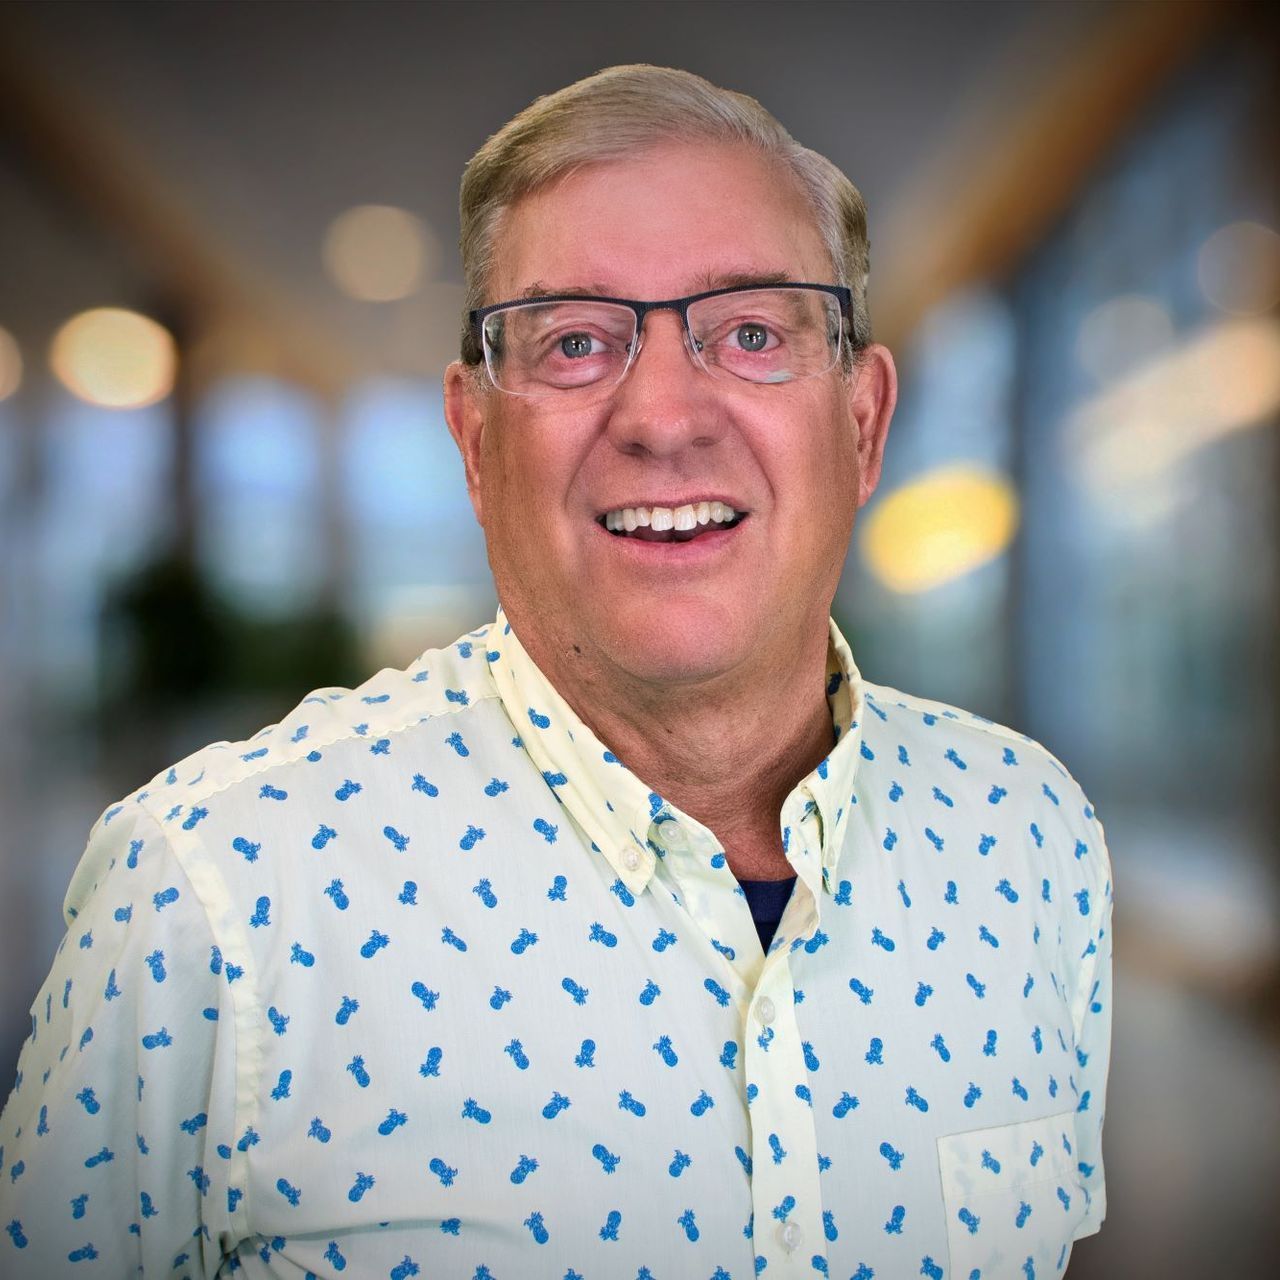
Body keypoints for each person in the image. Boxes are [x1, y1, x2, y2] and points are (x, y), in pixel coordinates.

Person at [0, 65, 1111, 1279]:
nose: (663, 415)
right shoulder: (212, 894)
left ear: (860, 423)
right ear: (475, 440)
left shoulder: (1030, 836)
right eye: (575, 341)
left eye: (749, 331)